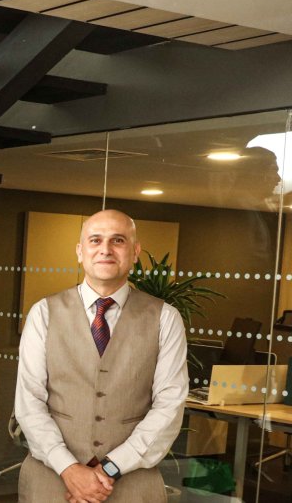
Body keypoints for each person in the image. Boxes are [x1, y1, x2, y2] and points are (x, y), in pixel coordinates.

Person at [15, 209, 188, 502]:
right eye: (95, 240)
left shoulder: (166, 319)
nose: (105, 249)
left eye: (117, 240)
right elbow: (29, 402)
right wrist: (69, 468)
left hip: (133, 484)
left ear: (135, 252)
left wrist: (111, 467)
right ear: (80, 252)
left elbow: (169, 406)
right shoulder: (43, 313)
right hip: (52, 481)